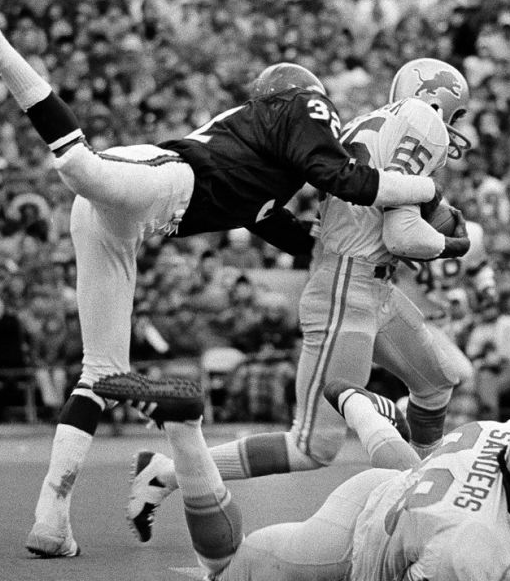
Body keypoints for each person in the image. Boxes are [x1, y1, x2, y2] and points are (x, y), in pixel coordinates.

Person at [0, 0, 441, 558]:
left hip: (126, 223)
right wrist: (425, 193)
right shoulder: (302, 103)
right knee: (78, 167)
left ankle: (52, 520)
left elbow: (304, 240)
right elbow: (341, 176)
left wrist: (378, 253)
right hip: (164, 179)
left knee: (100, 372)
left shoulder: (263, 189)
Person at [125, 59, 477, 543]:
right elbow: (400, 234)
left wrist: (429, 215)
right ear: (436, 99)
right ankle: (169, 471)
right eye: (454, 113)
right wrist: (451, 243)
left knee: (435, 383)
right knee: (313, 444)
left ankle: (426, 494)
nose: (456, 126)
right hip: (345, 289)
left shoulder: (377, 121)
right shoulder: (418, 121)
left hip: (375, 286)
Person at [92, 370, 510, 581]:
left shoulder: (506, 434)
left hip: (401, 494)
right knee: (230, 568)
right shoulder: (473, 544)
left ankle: (360, 406)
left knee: (412, 464)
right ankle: (185, 432)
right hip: (355, 541)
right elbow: (466, 551)